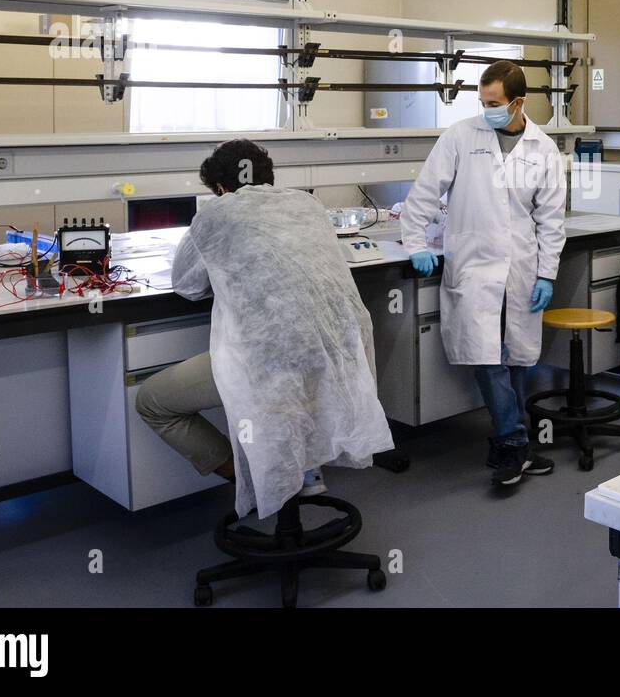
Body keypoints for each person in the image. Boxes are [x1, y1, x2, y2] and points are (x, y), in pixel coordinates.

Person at [135, 139, 394, 519]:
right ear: (268, 178)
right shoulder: (306, 205)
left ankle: (258, 478)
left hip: (270, 358)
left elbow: (188, 287)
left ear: (220, 189)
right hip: (335, 352)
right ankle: (298, 471)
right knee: (292, 386)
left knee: (153, 402)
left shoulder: (215, 213)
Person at [401, 60, 567, 487]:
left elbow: (551, 219)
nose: (486, 109)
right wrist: (416, 244)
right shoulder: (461, 136)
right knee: (487, 358)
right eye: (481, 101)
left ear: (517, 102)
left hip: (521, 269)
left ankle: (511, 445)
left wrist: (547, 274)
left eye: (494, 103)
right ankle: (514, 444)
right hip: (473, 267)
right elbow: (423, 193)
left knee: (513, 357)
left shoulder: (542, 149)